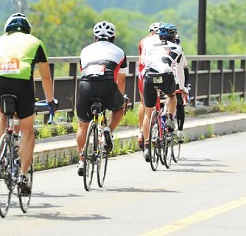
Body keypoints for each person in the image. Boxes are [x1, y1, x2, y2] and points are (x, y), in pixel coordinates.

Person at [0, 12, 55, 196]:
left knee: (0, 112)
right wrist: (50, 101)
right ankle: (23, 176)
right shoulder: (36, 42)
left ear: (7, 30)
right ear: (28, 30)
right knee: (26, 129)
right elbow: (46, 78)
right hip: (22, 82)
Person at [75, 21, 128, 177]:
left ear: (94, 37)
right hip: (107, 85)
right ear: (113, 38)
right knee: (119, 107)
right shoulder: (120, 52)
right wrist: (120, 98)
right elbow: (121, 79)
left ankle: (82, 160)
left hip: (86, 85)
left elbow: (82, 71)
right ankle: (108, 130)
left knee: (82, 126)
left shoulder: (85, 50)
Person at [141, 23, 184, 162]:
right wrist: (181, 87)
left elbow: (144, 63)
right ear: (173, 36)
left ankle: (147, 145)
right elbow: (178, 69)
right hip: (166, 76)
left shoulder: (149, 47)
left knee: (148, 113)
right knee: (171, 95)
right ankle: (170, 117)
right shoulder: (177, 48)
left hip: (148, 76)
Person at [136, 22, 161, 149]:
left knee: (143, 102)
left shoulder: (143, 41)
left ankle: (141, 132)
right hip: (161, 73)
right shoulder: (165, 41)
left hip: (144, 73)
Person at [172, 32, 190, 141]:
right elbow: (185, 71)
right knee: (179, 104)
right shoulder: (180, 51)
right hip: (175, 83)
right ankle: (180, 131)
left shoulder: (157, 50)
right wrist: (184, 87)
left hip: (154, 80)